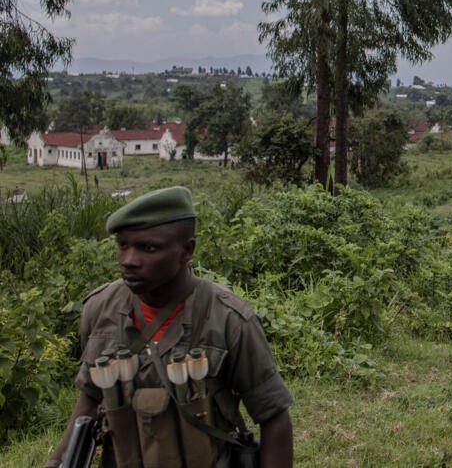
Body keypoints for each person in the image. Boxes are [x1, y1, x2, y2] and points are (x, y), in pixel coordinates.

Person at [46, 186, 294, 468]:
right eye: (123, 245)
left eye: (148, 248)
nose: (129, 260)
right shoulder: (100, 309)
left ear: (186, 250)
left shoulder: (229, 320)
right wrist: (57, 461)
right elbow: (90, 399)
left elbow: (273, 416)